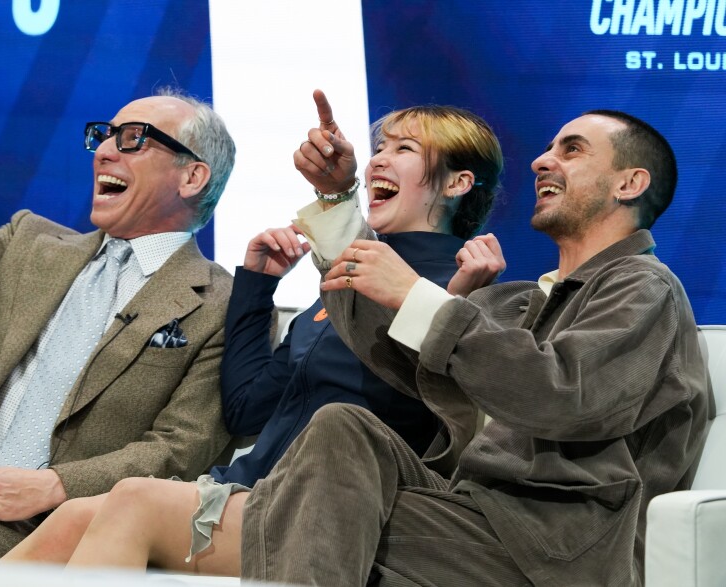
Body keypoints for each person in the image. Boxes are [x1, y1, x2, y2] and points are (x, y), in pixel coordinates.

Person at [0, 90, 506, 573]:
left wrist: (445, 302)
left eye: (404, 149)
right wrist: (257, 286)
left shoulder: (466, 295)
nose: (377, 160)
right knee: (73, 518)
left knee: (133, 499)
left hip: (326, 513)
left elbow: (436, 408)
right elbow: (247, 406)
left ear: (458, 183)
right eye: (378, 148)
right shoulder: (340, 292)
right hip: (245, 490)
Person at [240, 109, 712, 586]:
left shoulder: (645, 287)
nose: (541, 162)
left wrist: (417, 297)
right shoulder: (520, 301)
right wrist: (339, 197)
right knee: (342, 429)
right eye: (547, 148)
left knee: (297, 513)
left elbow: (565, 394)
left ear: (628, 184)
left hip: (557, 551)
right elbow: (390, 348)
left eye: (571, 149)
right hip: (471, 515)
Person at [0, 7, 236, 558]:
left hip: (55, 514)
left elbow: (182, 448)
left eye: (132, 140)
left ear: (193, 176)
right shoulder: (33, 247)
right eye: (103, 136)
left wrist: (55, 486)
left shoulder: (220, 304)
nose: (103, 150)